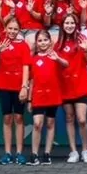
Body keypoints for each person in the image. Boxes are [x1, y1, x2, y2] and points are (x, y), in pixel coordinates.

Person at [57, 12, 87, 163]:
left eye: (72, 23)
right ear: (62, 25)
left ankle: (85, 150)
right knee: (69, 117)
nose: (69, 26)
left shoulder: (82, 40)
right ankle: (73, 151)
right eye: (67, 23)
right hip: (65, 85)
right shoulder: (58, 44)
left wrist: (85, 50)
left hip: (81, 84)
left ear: (76, 25)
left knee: (82, 119)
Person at [0, 17, 31, 165]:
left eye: (15, 29)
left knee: (19, 118)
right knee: (7, 118)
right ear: (5, 28)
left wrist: (24, 87)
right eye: (10, 28)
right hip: (3, 85)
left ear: (19, 30)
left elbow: (26, 66)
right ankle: (8, 153)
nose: (12, 31)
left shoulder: (24, 46)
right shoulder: (1, 41)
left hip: (18, 86)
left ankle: (19, 153)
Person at [28, 29, 65, 165]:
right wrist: (29, 100)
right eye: (40, 40)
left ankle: (47, 153)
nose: (43, 43)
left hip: (52, 94)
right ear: (36, 43)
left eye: (45, 40)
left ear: (50, 41)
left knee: (50, 123)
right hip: (38, 95)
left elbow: (66, 64)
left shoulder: (55, 56)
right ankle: (34, 154)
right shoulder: (33, 59)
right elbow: (31, 81)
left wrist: (57, 58)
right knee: (37, 123)